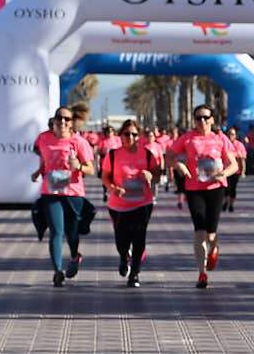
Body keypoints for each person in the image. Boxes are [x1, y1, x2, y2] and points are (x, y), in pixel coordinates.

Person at [169, 104, 240, 290]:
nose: (202, 121)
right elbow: (169, 156)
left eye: (206, 117)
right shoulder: (187, 138)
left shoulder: (221, 138)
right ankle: (202, 273)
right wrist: (179, 166)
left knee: (211, 233)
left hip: (215, 187)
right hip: (194, 188)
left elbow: (234, 165)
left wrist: (223, 173)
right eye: (198, 118)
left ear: (212, 119)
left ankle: (214, 248)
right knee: (199, 229)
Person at [31, 107, 93, 287]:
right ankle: (57, 271)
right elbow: (43, 156)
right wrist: (39, 170)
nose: (63, 121)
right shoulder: (43, 138)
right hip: (51, 191)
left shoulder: (79, 142)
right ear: (54, 120)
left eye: (67, 119)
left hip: (73, 192)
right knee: (56, 232)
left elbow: (91, 169)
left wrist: (78, 166)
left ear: (72, 123)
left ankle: (74, 256)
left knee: (72, 233)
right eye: (60, 117)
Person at [101, 118, 162, 286]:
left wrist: (151, 176)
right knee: (121, 240)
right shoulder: (113, 155)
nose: (130, 138)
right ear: (121, 135)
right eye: (127, 134)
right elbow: (105, 176)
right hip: (119, 205)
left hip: (142, 203)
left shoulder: (147, 154)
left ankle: (134, 273)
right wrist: (112, 188)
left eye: (134, 134)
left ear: (139, 136)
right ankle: (123, 256)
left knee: (139, 237)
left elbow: (157, 174)